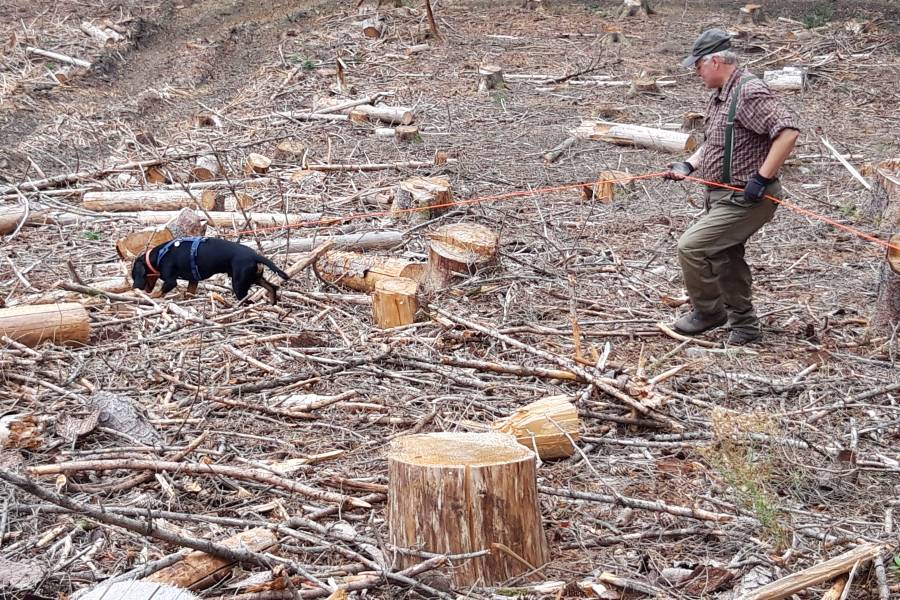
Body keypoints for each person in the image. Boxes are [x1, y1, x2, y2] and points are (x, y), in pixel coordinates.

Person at [664, 28, 800, 345]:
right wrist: (689, 165)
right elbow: (714, 143)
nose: (697, 73)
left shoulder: (749, 92)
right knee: (727, 258)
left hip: (746, 198)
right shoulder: (722, 95)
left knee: (692, 247)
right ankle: (746, 327)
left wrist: (762, 177)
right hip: (721, 195)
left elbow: (788, 131)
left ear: (714, 61)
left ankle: (709, 312)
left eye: (697, 66)